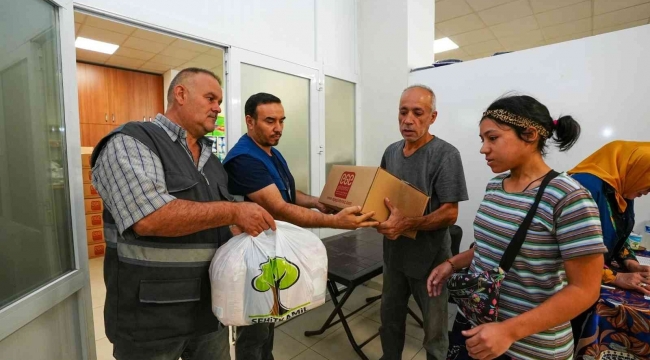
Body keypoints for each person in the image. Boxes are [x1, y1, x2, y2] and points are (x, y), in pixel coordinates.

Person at [91, 68, 276, 360]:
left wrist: (238, 233)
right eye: (210, 98)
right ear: (180, 94)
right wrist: (235, 211)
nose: (217, 107)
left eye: (219, 100)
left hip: (207, 310)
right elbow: (149, 217)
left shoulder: (213, 162)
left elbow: (211, 222)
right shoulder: (133, 141)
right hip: (150, 317)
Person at [426, 94, 607, 360]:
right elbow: (490, 247)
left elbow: (585, 289)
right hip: (476, 327)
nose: (483, 149)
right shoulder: (495, 186)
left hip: (529, 348)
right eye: (482, 140)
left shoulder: (568, 197)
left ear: (530, 135)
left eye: (493, 138)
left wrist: (509, 331)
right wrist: (453, 263)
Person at [222, 92, 379, 360]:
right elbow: (280, 208)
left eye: (282, 121)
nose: (278, 128)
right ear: (250, 121)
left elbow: (287, 194)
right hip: (253, 257)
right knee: (255, 328)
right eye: (270, 121)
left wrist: (318, 202)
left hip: (272, 252)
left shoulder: (271, 153)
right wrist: (334, 221)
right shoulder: (244, 160)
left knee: (268, 321)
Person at [375, 85, 469, 360]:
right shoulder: (391, 152)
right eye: (403, 112)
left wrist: (408, 224)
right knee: (389, 320)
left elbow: (451, 213)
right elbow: (382, 197)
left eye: (418, 113)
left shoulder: (445, 155)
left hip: (430, 262)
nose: (408, 120)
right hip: (394, 257)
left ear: (433, 117)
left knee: (434, 332)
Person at [567, 141, 650, 343]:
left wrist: (631, 263)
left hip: (593, 278)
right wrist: (614, 277)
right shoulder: (584, 187)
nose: (648, 192)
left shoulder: (621, 187)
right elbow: (571, 248)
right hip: (568, 286)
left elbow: (617, 235)